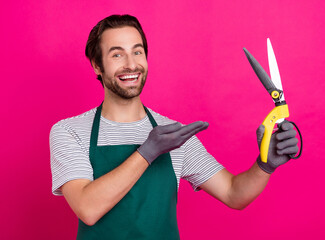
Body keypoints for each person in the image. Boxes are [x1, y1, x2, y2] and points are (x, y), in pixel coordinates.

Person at [50, 14, 299, 239]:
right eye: (117, 54)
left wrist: (264, 165)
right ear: (97, 65)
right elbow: (88, 208)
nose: (131, 64)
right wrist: (147, 152)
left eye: (137, 52)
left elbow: (234, 194)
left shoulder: (175, 134)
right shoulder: (70, 132)